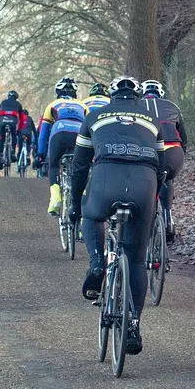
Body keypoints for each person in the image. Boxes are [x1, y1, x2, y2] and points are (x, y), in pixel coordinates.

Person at [69, 76, 165, 355]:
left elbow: (78, 166)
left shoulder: (94, 116)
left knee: (92, 215)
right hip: (143, 183)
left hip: (105, 179)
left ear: (112, 96)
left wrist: (76, 205)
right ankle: (133, 324)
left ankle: (98, 263)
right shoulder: (152, 119)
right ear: (137, 98)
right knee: (136, 259)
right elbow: (160, 167)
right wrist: (153, 201)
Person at [141, 79, 187, 244]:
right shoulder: (173, 106)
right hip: (174, 151)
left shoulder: (136, 106)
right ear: (160, 94)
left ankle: (144, 219)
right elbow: (184, 137)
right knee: (168, 178)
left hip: (149, 151)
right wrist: (182, 155)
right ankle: (167, 217)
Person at [37, 77, 85, 214]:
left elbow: (43, 133)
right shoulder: (83, 105)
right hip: (78, 133)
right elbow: (90, 129)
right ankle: (81, 205)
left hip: (59, 131)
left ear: (57, 92)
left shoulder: (52, 105)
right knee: (83, 167)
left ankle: (55, 197)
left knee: (53, 164)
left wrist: (40, 155)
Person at [0, 90, 23, 170]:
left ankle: (1, 156)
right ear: (16, 98)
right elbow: (21, 118)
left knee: (2, 139)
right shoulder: (18, 104)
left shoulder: (2, 102)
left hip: (2, 120)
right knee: (14, 135)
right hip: (12, 121)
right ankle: (12, 152)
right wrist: (19, 129)